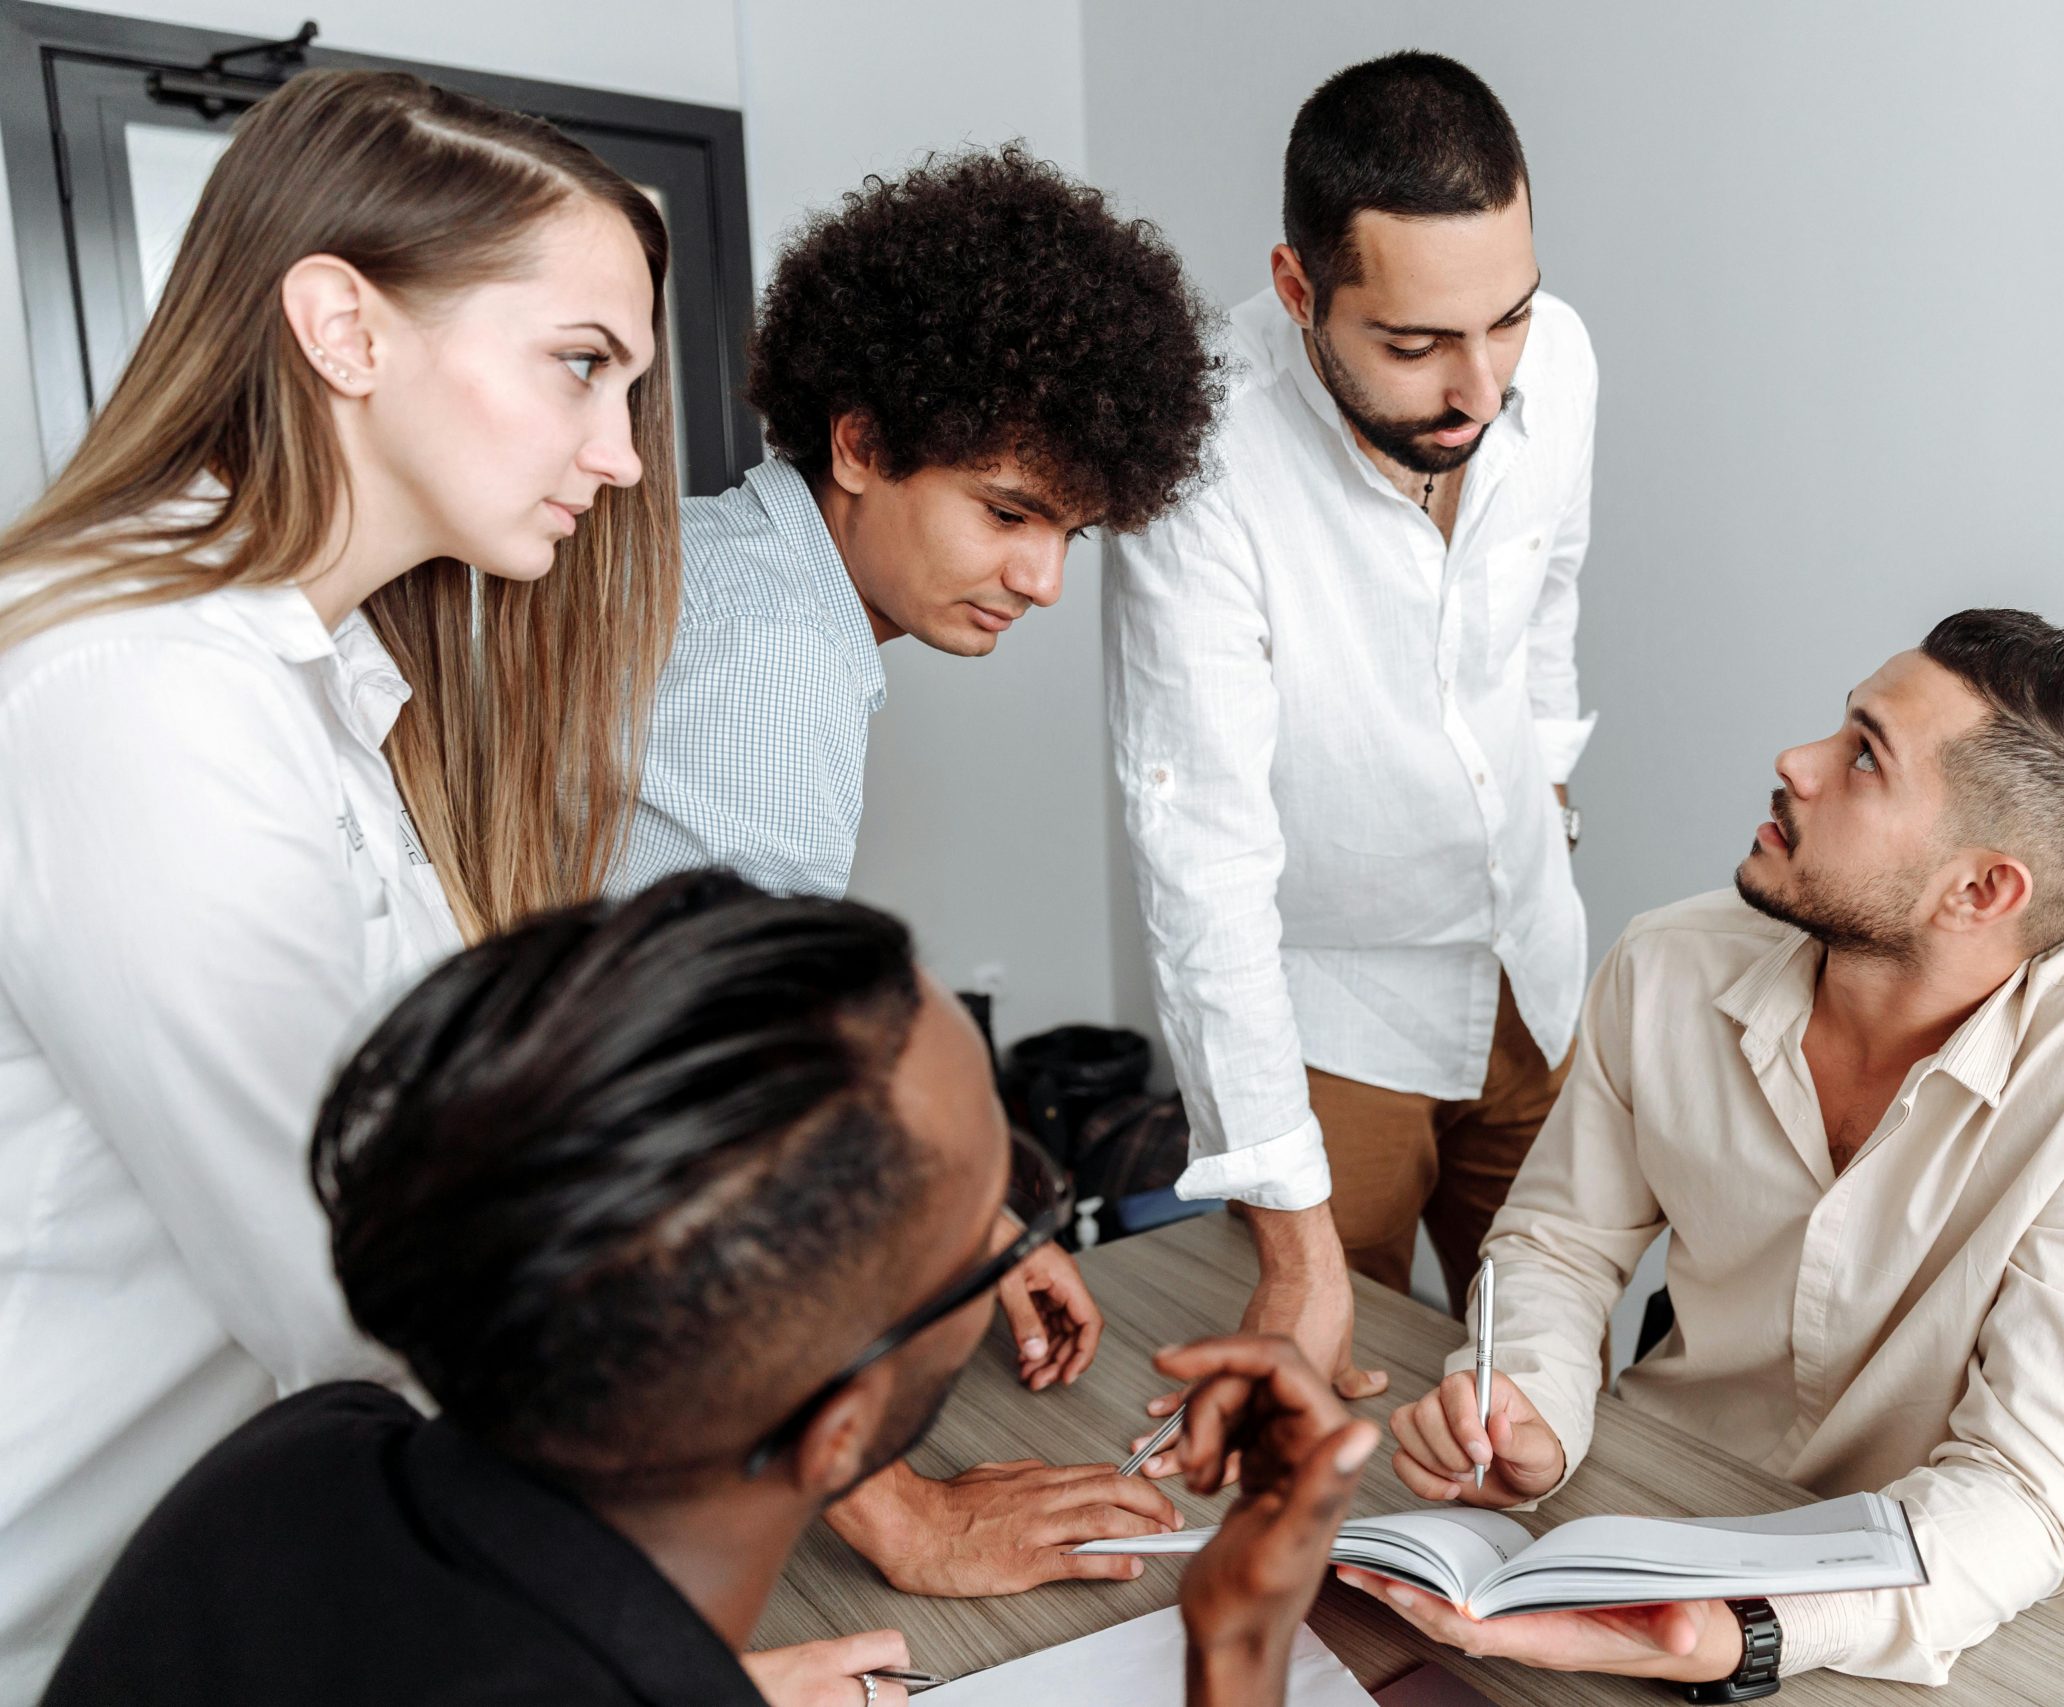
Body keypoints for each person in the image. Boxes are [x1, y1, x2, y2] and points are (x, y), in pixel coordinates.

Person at [40, 874, 1381, 1707]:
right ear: (839, 1431)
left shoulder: (292, 1461)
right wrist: (1240, 1649)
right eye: (989, 1231)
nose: (1015, 1235)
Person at [0, 69, 683, 1699]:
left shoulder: (316, 681)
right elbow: (362, 1292)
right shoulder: (138, 695)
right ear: (346, 328)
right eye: (582, 367)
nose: (622, 456)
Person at [1355, 611, 2064, 1690]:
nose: (1795, 763)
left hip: (1938, 1614)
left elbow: (2029, 1486)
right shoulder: (1667, 965)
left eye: (1863, 755)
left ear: (1979, 891)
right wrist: (1529, 1406)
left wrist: (1756, 1626)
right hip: (1646, 1513)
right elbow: (1557, 1242)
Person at [608, 144, 1221, 1597]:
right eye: (1008, 511)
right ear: (865, 442)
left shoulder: (735, 575)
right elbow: (715, 1126)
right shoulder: (770, 666)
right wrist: (908, 1519)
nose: (1043, 580)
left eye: (1071, 530)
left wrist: (980, 1225)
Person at [1108, 51, 1599, 1422]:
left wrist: (1545, 785)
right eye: (1415, 343)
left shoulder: (1552, 359)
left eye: (1505, 317)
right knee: (1335, 1417)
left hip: (1532, 966)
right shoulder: (1196, 455)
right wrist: (1293, 1232)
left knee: (1554, 1407)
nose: (1483, 384)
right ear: (1296, 288)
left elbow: (1550, 592)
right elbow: (1197, 846)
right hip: (1333, 1024)